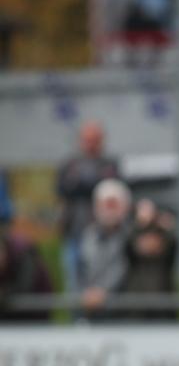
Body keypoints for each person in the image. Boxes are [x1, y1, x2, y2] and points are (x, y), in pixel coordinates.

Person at [56, 121, 120, 293]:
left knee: (104, 285)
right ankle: (76, 319)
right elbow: (63, 188)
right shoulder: (69, 164)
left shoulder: (110, 164)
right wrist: (93, 183)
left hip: (104, 238)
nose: (90, 144)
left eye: (95, 140)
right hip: (74, 234)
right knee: (74, 284)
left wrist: (82, 183)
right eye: (87, 140)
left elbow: (112, 189)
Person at [77, 178, 132, 316]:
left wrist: (102, 292)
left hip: (122, 310)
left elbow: (123, 267)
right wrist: (86, 293)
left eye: (113, 205)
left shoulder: (131, 236)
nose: (109, 211)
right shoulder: (87, 236)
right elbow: (80, 269)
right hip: (90, 307)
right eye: (105, 205)